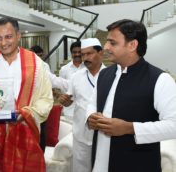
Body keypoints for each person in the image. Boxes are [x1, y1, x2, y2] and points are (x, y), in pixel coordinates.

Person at [86, 19, 176, 172]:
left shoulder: (160, 79)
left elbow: (173, 125)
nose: (106, 47)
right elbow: (92, 103)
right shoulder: (104, 74)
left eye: (112, 43)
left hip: (138, 163)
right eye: (107, 42)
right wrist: (90, 117)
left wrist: (130, 128)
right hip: (100, 161)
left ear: (132, 45)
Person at [0, 17, 53, 172]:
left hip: (24, 132)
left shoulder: (36, 64)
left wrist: (27, 113)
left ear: (18, 36)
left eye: (8, 37)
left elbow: (45, 99)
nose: (3, 43)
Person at [58, 38, 105, 172]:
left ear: (100, 53)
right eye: (83, 54)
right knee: (80, 168)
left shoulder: (111, 75)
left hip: (103, 133)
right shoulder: (76, 77)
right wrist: (65, 101)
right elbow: (70, 100)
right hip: (81, 133)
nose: (85, 58)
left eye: (89, 53)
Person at [59, 41, 85, 119]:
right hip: (69, 110)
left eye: (79, 52)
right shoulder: (64, 69)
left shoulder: (88, 68)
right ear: (71, 53)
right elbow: (62, 89)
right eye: (74, 52)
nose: (77, 54)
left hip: (85, 110)